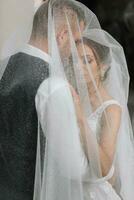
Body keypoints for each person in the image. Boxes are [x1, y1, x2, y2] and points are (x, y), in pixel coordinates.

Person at [34, 0, 134, 200]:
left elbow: (105, 169)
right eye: (73, 59)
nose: (79, 67)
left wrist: (80, 118)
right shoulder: (65, 93)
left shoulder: (111, 109)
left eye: (87, 60)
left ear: (103, 66)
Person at [0, 0, 85, 200]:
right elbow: (73, 168)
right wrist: (104, 167)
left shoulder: (3, 66)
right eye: (77, 41)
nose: (76, 51)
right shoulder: (54, 86)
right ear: (62, 35)